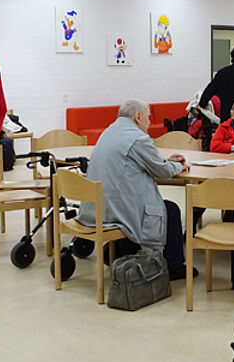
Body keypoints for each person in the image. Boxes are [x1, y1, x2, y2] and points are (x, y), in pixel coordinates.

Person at [78, 100, 194, 280]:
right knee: (171, 210)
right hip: (116, 210)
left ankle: (123, 250)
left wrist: (165, 161)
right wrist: (179, 166)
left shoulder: (108, 132)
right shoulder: (138, 138)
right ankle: (173, 266)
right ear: (138, 117)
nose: (149, 122)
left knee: (142, 205)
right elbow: (162, 171)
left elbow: (143, 162)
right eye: (148, 117)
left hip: (96, 208)